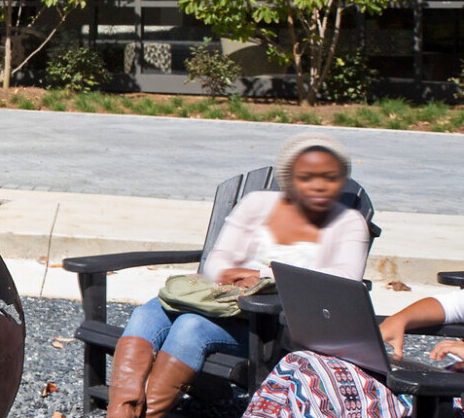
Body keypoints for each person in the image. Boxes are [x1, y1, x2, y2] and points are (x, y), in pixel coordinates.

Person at [106, 135, 371, 418]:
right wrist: (247, 276)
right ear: (289, 178)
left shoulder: (349, 223)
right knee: (147, 314)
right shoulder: (257, 203)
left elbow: (345, 279)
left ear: (341, 180)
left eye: (329, 178)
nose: (319, 185)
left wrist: (262, 275)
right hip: (222, 305)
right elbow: (216, 263)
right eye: (307, 177)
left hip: (277, 328)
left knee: (190, 326)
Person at [245, 283, 464, 418]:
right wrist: (399, 320)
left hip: (448, 395)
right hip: (440, 381)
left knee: (328, 386)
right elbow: (451, 305)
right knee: (305, 364)